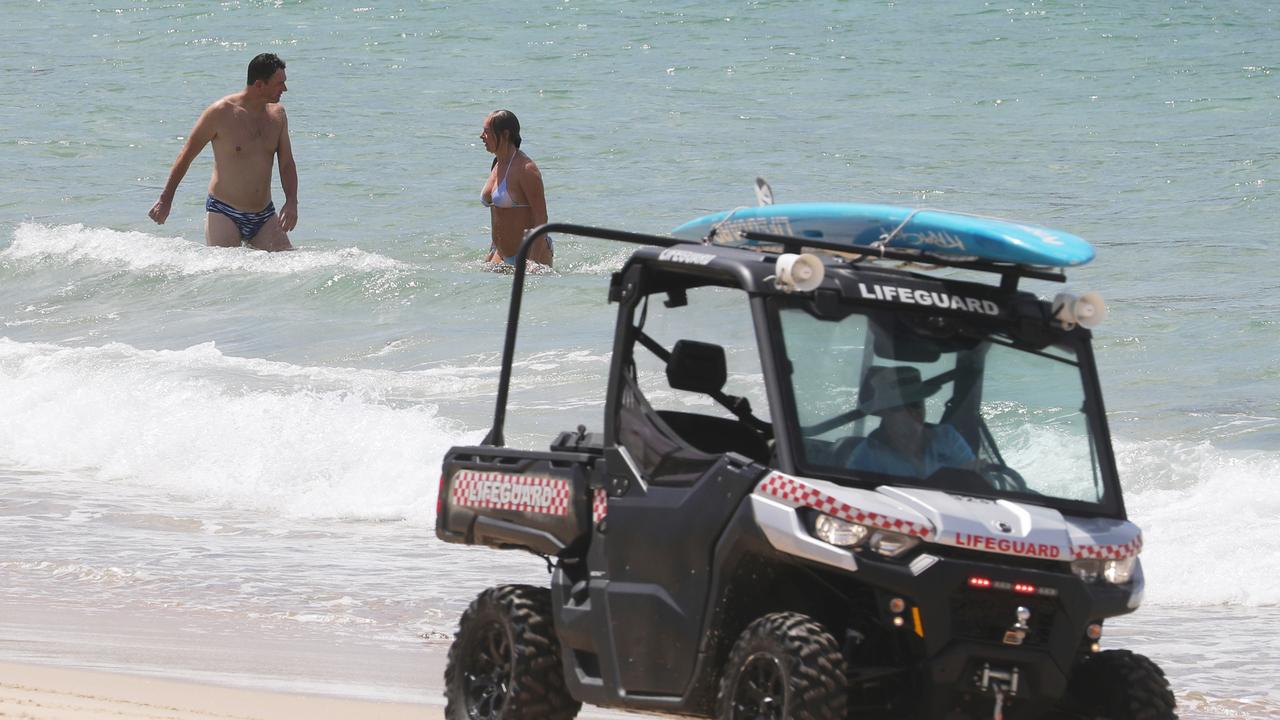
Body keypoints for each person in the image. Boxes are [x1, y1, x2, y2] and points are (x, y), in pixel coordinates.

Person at [148, 53, 297, 251]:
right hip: (224, 212)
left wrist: (291, 201)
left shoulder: (278, 115)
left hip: (264, 215)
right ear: (259, 84)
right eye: (279, 84)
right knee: (225, 271)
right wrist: (166, 199)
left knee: (287, 267)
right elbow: (186, 155)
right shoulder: (220, 113)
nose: (285, 89)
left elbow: (286, 164)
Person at [848, 366, 975, 479]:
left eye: (916, 403)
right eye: (902, 406)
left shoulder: (948, 437)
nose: (913, 412)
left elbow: (971, 481)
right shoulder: (866, 456)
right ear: (884, 412)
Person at [479, 110, 553, 267]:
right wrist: (493, 250)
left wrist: (533, 262)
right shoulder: (497, 164)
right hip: (501, 254)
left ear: (505, 134)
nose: (481, 136)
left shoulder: (526, 169)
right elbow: (499, 214)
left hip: (529, 254)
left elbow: (542, 217)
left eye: (487, 132)